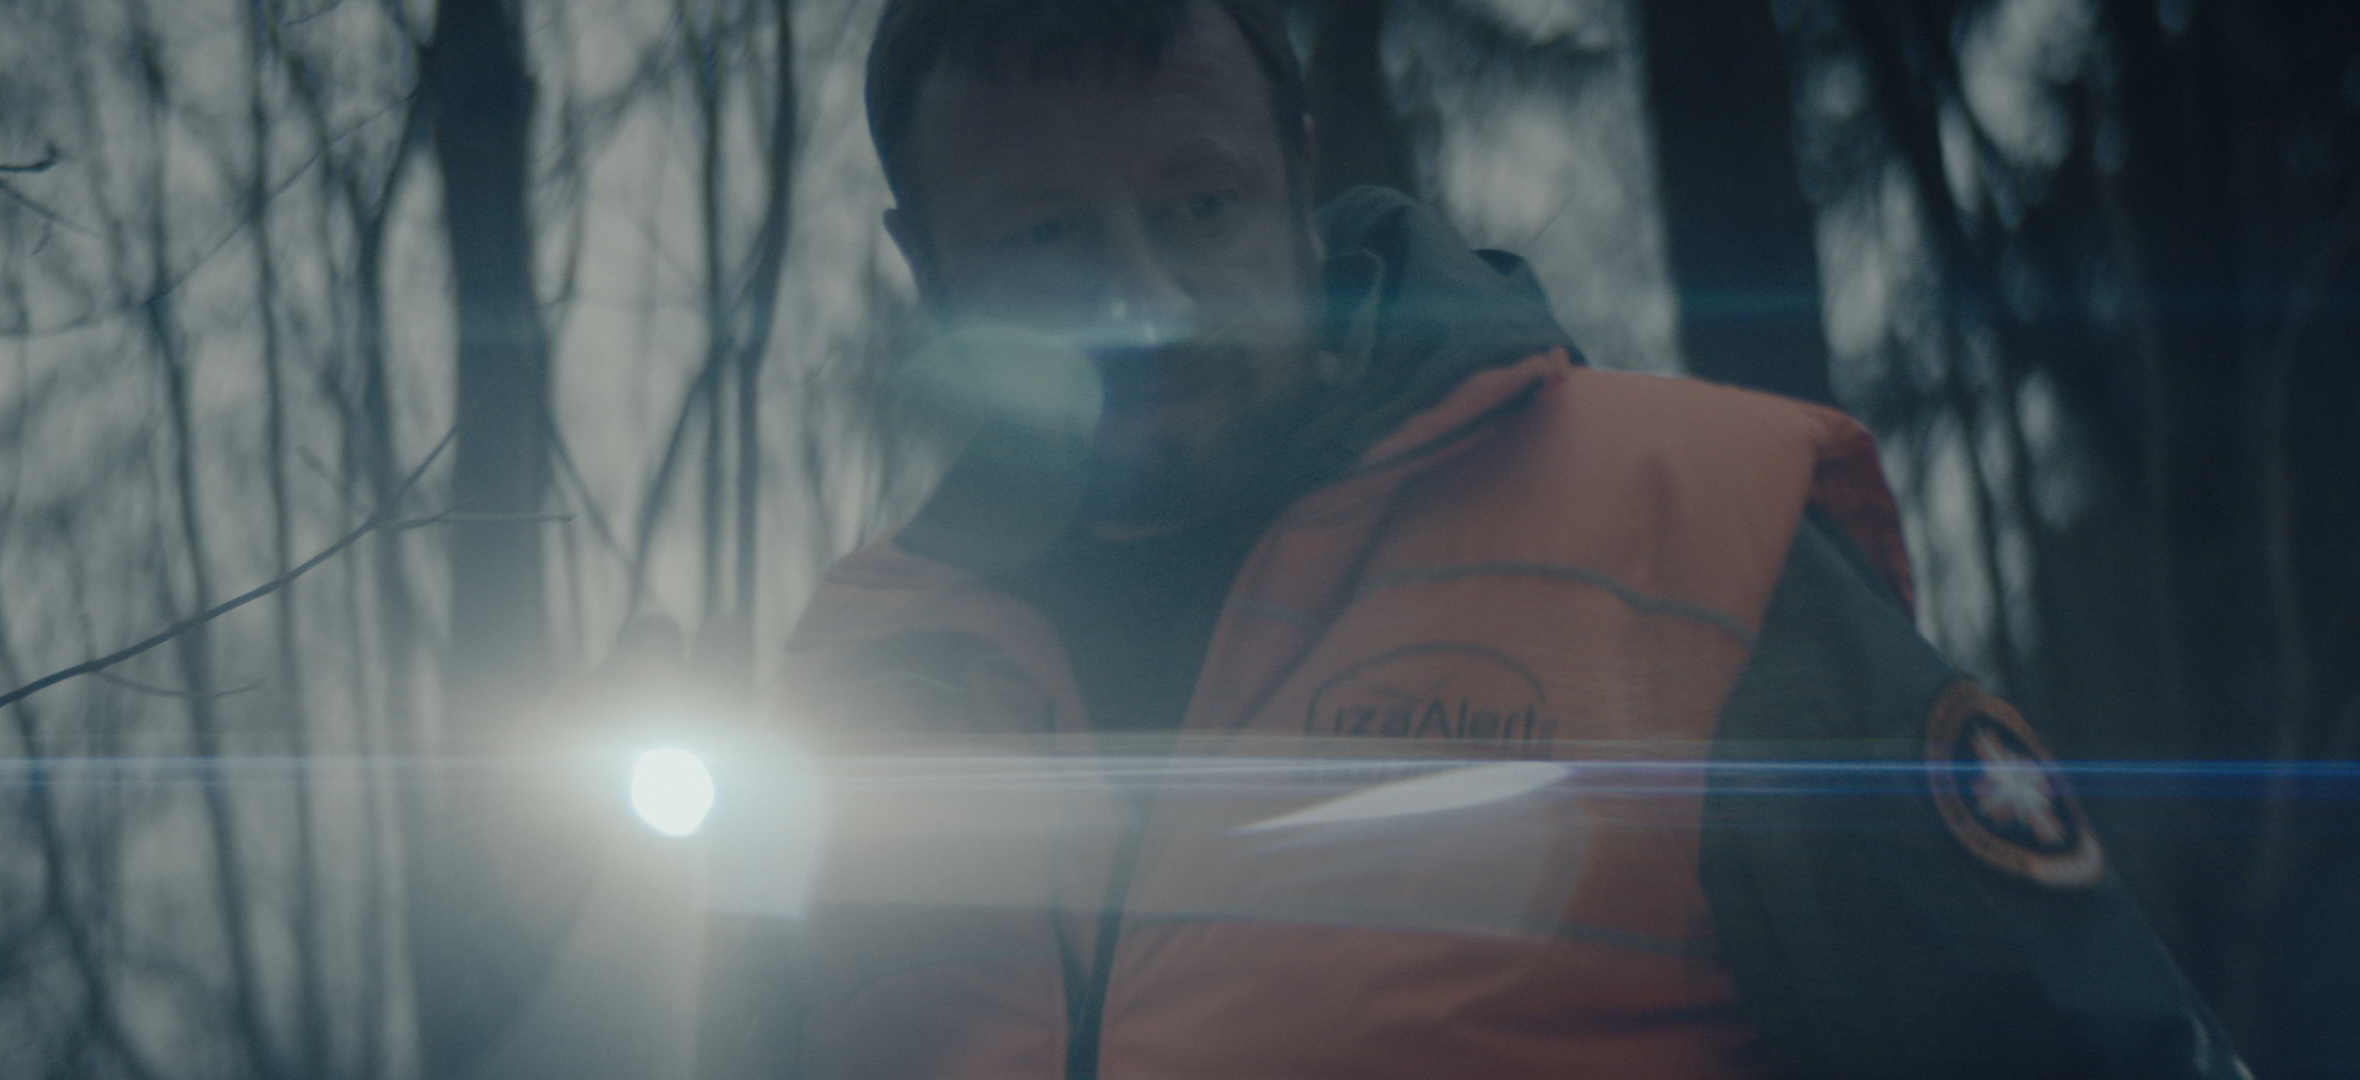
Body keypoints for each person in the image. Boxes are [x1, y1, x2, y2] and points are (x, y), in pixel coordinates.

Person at [720, 1, 2251, 1077]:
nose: (1151, 304)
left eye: (1198, 208)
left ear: (1296, 176)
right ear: (927, 265)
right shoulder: (862, 673)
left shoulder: (1678, 534)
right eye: (1048, 237)